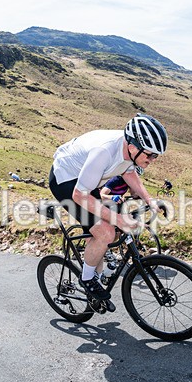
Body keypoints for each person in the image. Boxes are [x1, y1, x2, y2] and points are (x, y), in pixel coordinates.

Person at [49, 113, 166, 312]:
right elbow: (79, 195)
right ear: (133, 147)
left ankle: (93, 266)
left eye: (156, 156)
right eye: (150, 154)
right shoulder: (104, 152)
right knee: (107, 231)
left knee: (102, 232)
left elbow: (129, 173)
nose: (153, 160)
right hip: (67, 181)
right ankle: (86, 279)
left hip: (88, 180)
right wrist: (118, 219)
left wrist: (149, 200)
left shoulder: (129, 151)